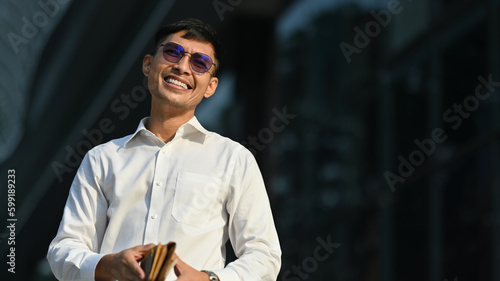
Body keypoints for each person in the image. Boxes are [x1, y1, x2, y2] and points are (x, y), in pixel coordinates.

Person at [47, 18, 281, 281]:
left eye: (200, 63)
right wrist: (108, 265)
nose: (182, 67)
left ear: (211, 86)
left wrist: (210, 280)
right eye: (173, 52)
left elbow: (264, 255)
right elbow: (63, 249)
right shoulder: (102, 159)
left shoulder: (234, 159)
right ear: (148, 64)